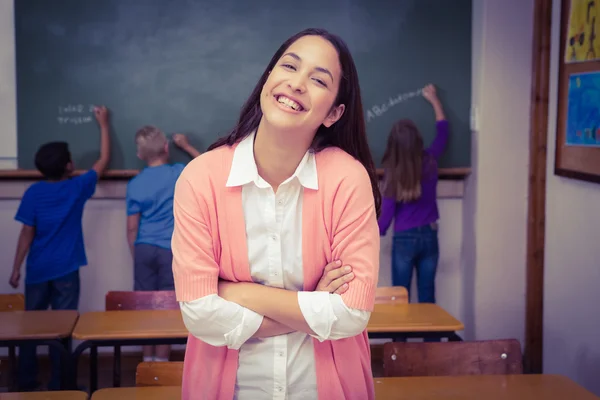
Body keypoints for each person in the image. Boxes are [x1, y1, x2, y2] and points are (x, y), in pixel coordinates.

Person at [171, 28, 381, 399]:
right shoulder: (201, 177)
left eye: (318, 80)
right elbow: (200, 315)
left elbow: (351, 315)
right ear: (269, 78)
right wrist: (313, 305)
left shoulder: (348, 178)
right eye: (289, 66)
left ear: (334, 113)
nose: (297, 84)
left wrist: (237, 293)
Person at [9, 105, 111, 391]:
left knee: (30, 330)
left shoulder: (33, 193)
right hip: (66, 270)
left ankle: (26, 382)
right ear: (68, 166)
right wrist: (103, 124)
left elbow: (26, 233)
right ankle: (61, 383)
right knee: (63, 329)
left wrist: (16, 268)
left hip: (37, 271)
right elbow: (103, 160)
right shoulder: (76, 188)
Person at [125, 127, 200, 362]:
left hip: (144, 248)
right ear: (167, 149)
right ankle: (162, 361)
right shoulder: (178, 172)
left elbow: (131, 227)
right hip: (171, 250)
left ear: (140, 155)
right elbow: (206, 165)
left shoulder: (135, 183)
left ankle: (147, 360)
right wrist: (187, 146)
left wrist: (135, 252)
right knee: (168, 304)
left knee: (146, 305)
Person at [378, 84, 449, 305]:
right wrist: (434, 100)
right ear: (418, 139)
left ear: (393, 145)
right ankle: (431, 340)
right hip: (429, 235)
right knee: (428, 297)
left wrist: (371, 235)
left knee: (400, 298)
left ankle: (401, 340)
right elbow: (443, 133)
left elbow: (385, 218)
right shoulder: (429, 161)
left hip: (404, 239)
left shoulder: (393, 173)